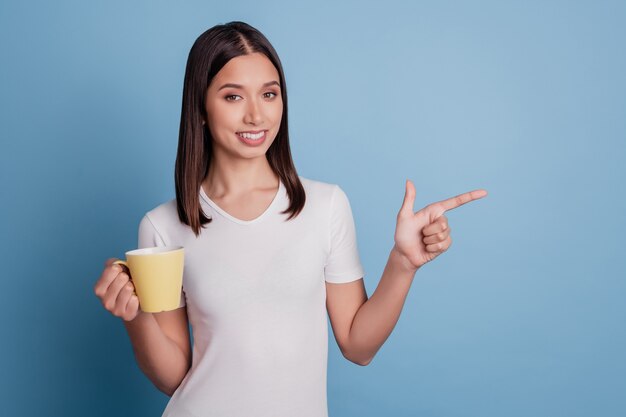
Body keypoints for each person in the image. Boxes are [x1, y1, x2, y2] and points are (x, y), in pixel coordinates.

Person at [93, 21, 487, 417]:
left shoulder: (325, 205)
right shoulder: (163, 225)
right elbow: (173, 376)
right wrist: (136, 317)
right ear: (200, 108)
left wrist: (403, 263)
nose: (256, 115)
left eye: (269, 94)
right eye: (233, 97)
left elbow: (358, 346)